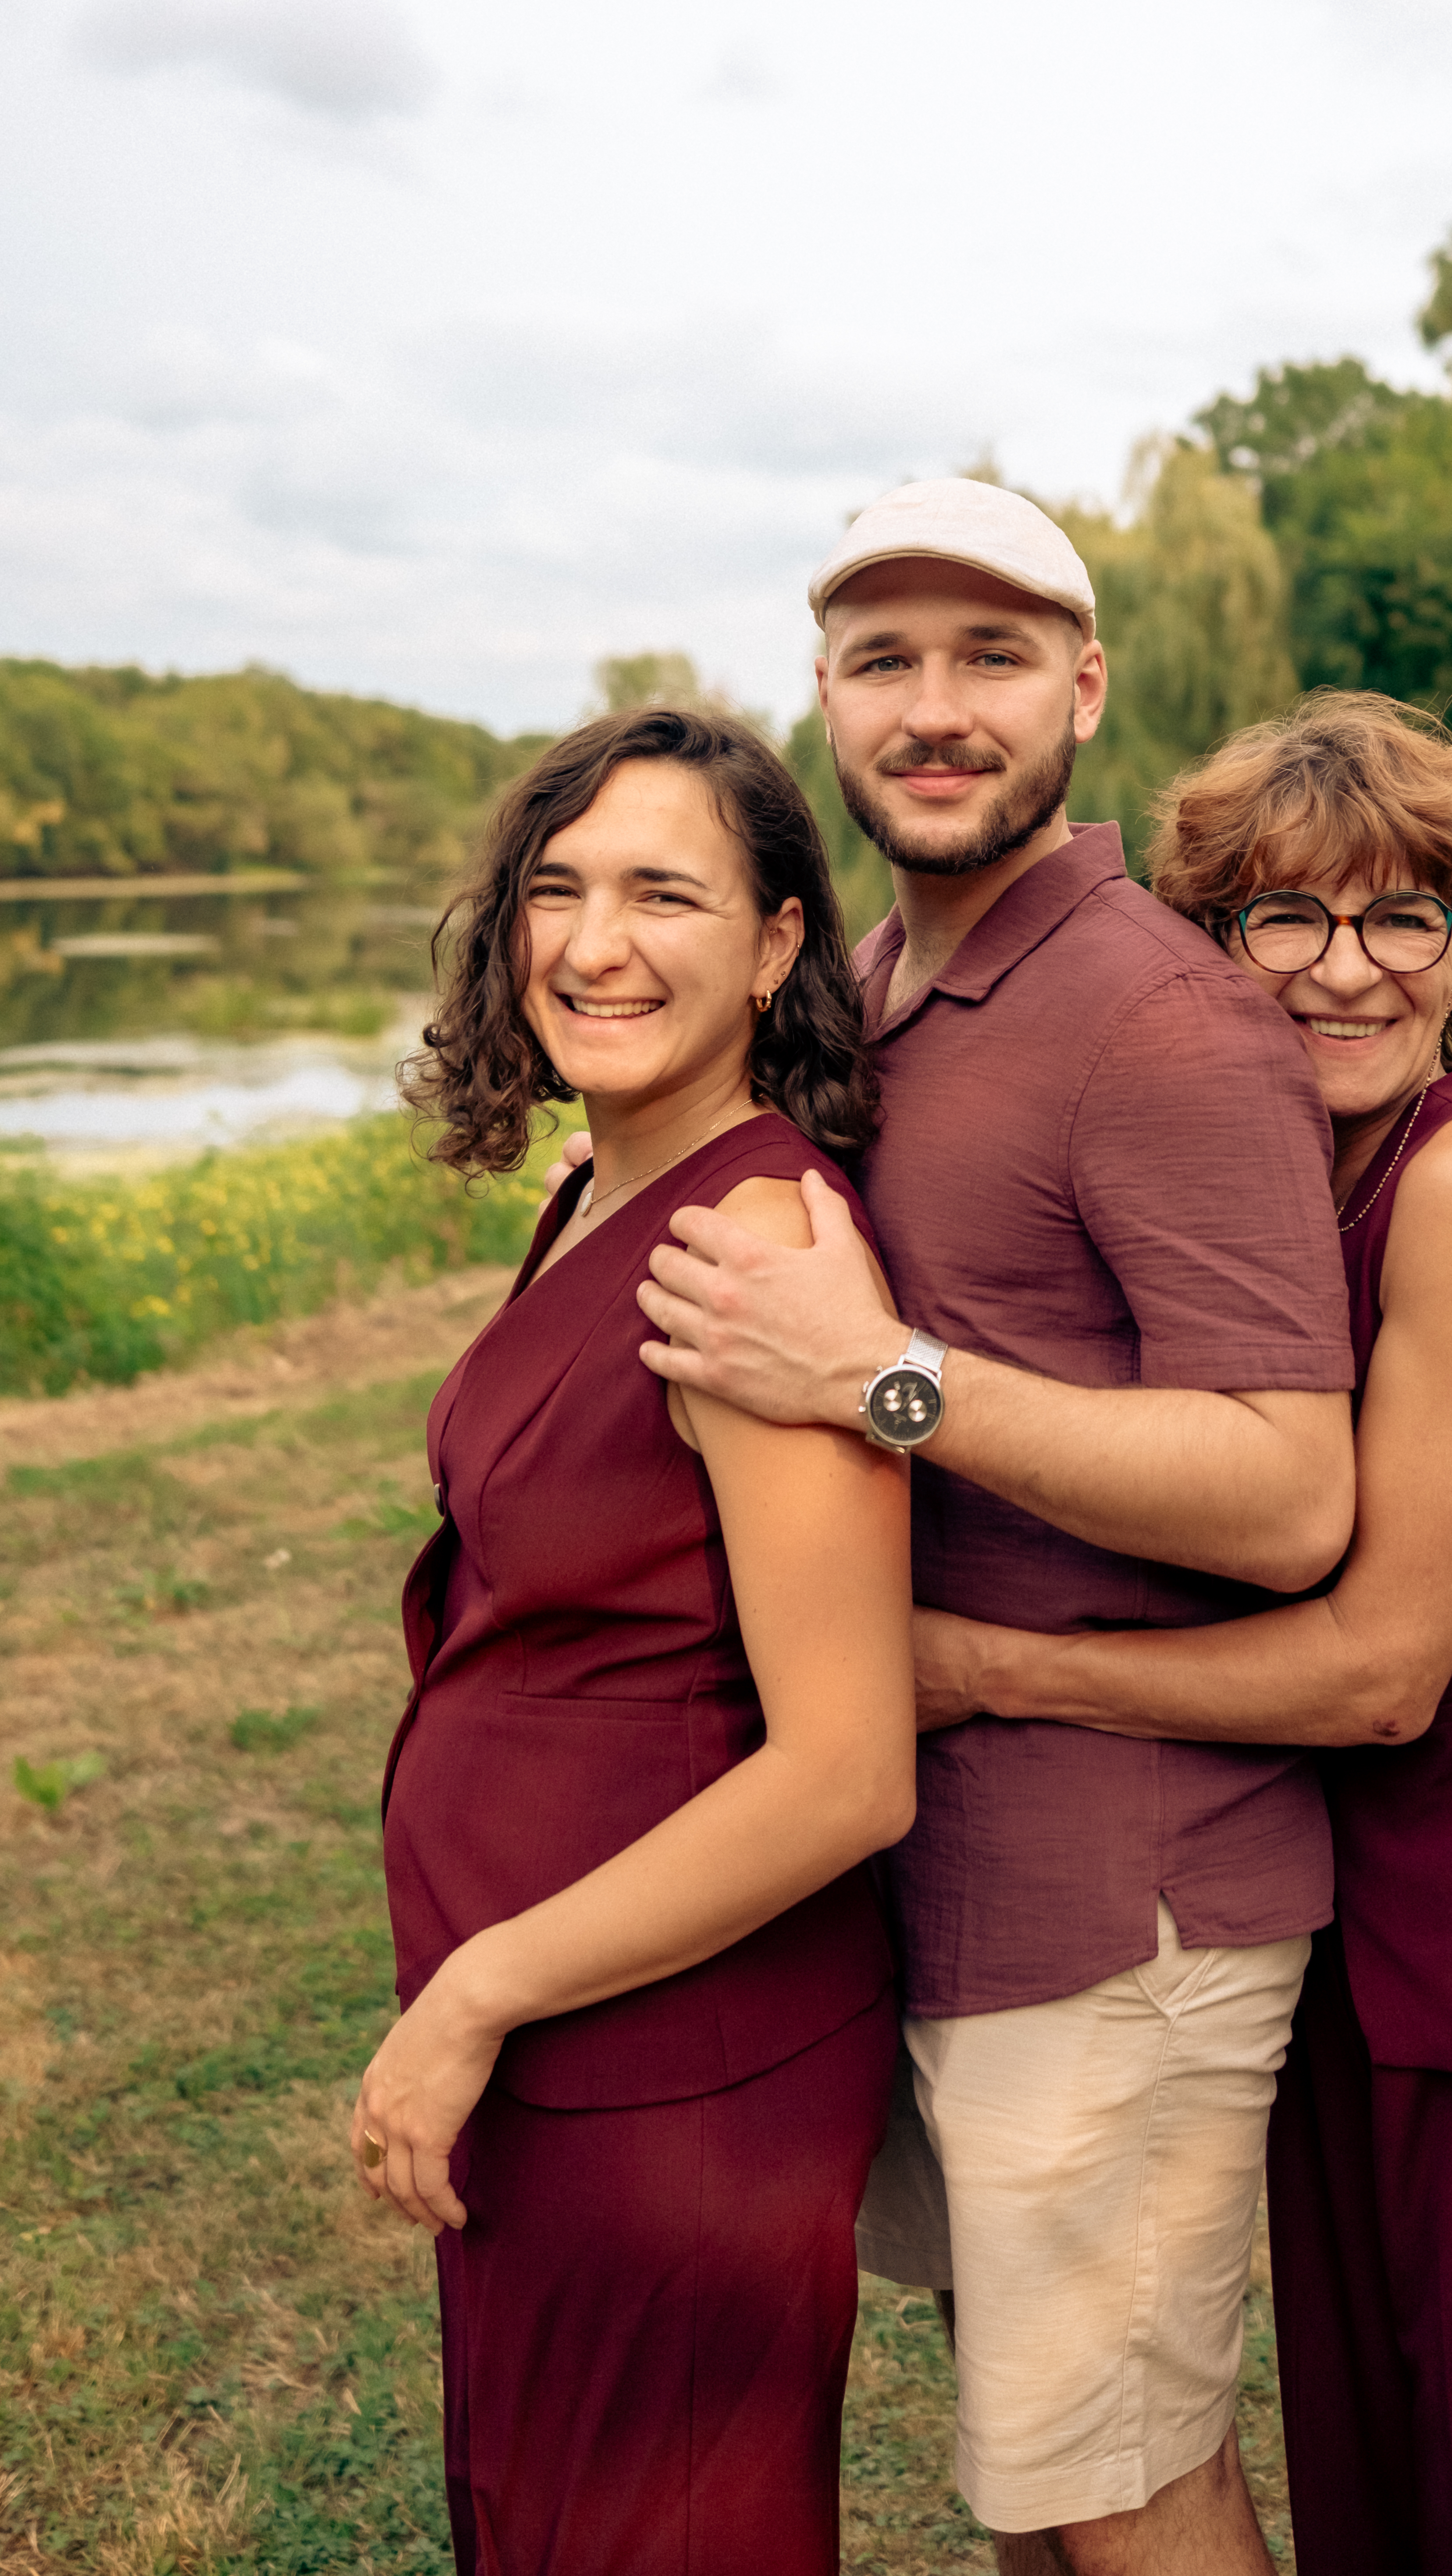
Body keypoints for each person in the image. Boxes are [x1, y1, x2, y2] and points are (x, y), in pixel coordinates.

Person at [907, 689, 1452, 2576]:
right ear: (1210, 956)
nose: (1343, 970)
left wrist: (988, 1668)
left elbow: (1383, 1672)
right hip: (1357, 1942)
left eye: (1406, 918)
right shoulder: (1285, 1187)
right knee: (1397, 2489)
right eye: (1281, 919)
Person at [624, 479, 1356, 2574]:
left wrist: (884, 1377)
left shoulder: (1161, 1015)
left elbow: (1294, 1491)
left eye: (993, 658)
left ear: (1085, 690)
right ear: (828, 700)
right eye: (885, 663)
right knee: (1052, 2495)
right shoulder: (867, 978)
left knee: (1129, 2496)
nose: (935, 711)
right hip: (946, 1873)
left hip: (1119, 1906)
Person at [353, 706, 916, 2576]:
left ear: (774, 946)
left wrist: (476, 1991)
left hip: (675, 2071)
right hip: (568, 2038)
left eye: (665, 891)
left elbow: (848, 1770)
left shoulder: (758, 1250)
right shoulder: (600, 1181)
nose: (597, 942)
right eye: (560, 886)